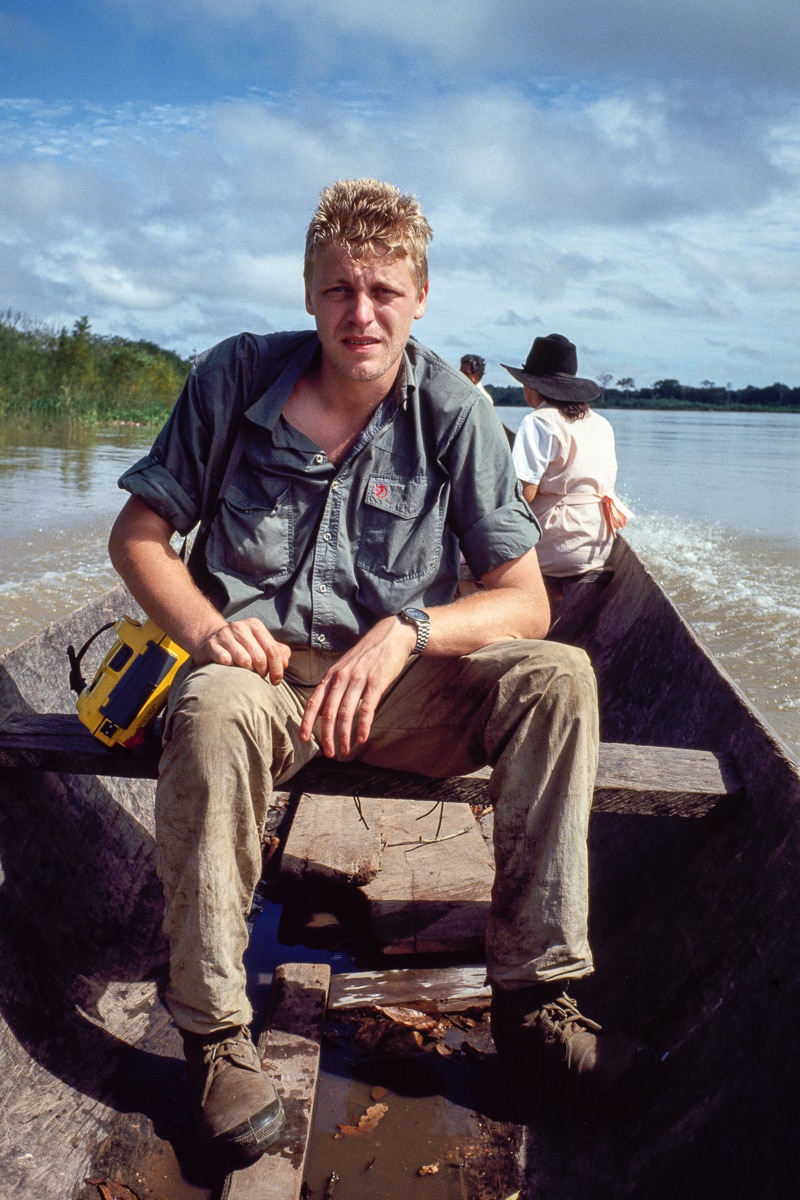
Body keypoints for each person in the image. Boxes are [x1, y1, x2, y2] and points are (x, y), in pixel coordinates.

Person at [108, 180, 655, 1163]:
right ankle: (217, 1038)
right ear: (309, 292)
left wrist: (410, 627)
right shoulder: (235, 380)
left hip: (393, 699)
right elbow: (140, 533)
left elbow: (523, 600)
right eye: (337, 290)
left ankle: (534, 1007)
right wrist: (201, 627)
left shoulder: (451, 408)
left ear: (420, 296)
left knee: (556, 676)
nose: (359, 313)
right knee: (217, 709)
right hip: (260, 684)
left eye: (383, 291)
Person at [503, 333, 631, 616]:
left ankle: (512, 617)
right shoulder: (601, 423)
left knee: (464, 559)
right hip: (597, 545)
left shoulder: (537, 421)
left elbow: (524, 493)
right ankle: (549, 603)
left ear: (532, 386)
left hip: (557, 546)